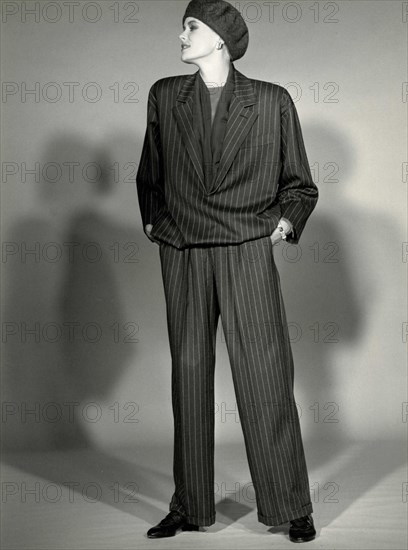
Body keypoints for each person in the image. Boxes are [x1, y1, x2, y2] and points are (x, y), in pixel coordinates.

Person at [136, 0, 318, 543]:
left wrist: (281, 226)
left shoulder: (270, 100)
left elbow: (300, 185)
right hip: (185, 251)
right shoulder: (166, 95)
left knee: (265, 380)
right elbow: (151, 174)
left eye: (190, 26)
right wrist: (156, 226)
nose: (180, 34)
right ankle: (189, 505)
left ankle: (290, 505)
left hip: (245, 249)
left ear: (219, 38)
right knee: (187, 380)